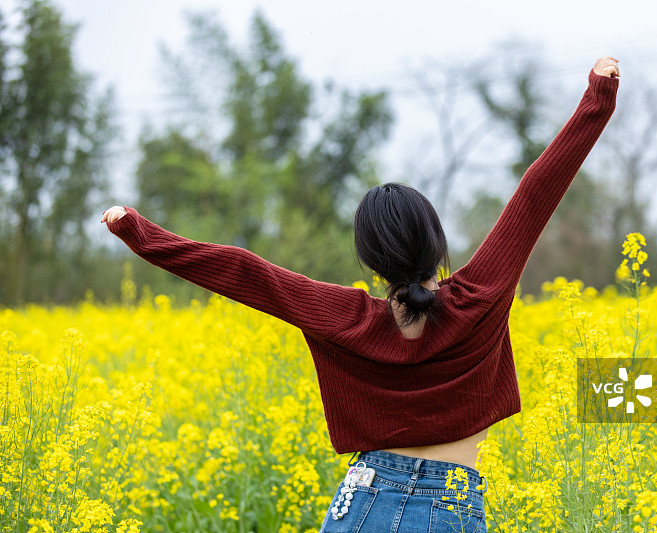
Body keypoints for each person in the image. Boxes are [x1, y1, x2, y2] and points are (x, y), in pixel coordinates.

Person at [102, 56, 619, 533]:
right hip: (451, 507)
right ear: (436, 242)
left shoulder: (346, 317)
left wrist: (140, 234)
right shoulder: (477, 298)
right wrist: (597, 98)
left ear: (369, 260)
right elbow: (534, 196)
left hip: (362, 502)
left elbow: (245, 271)